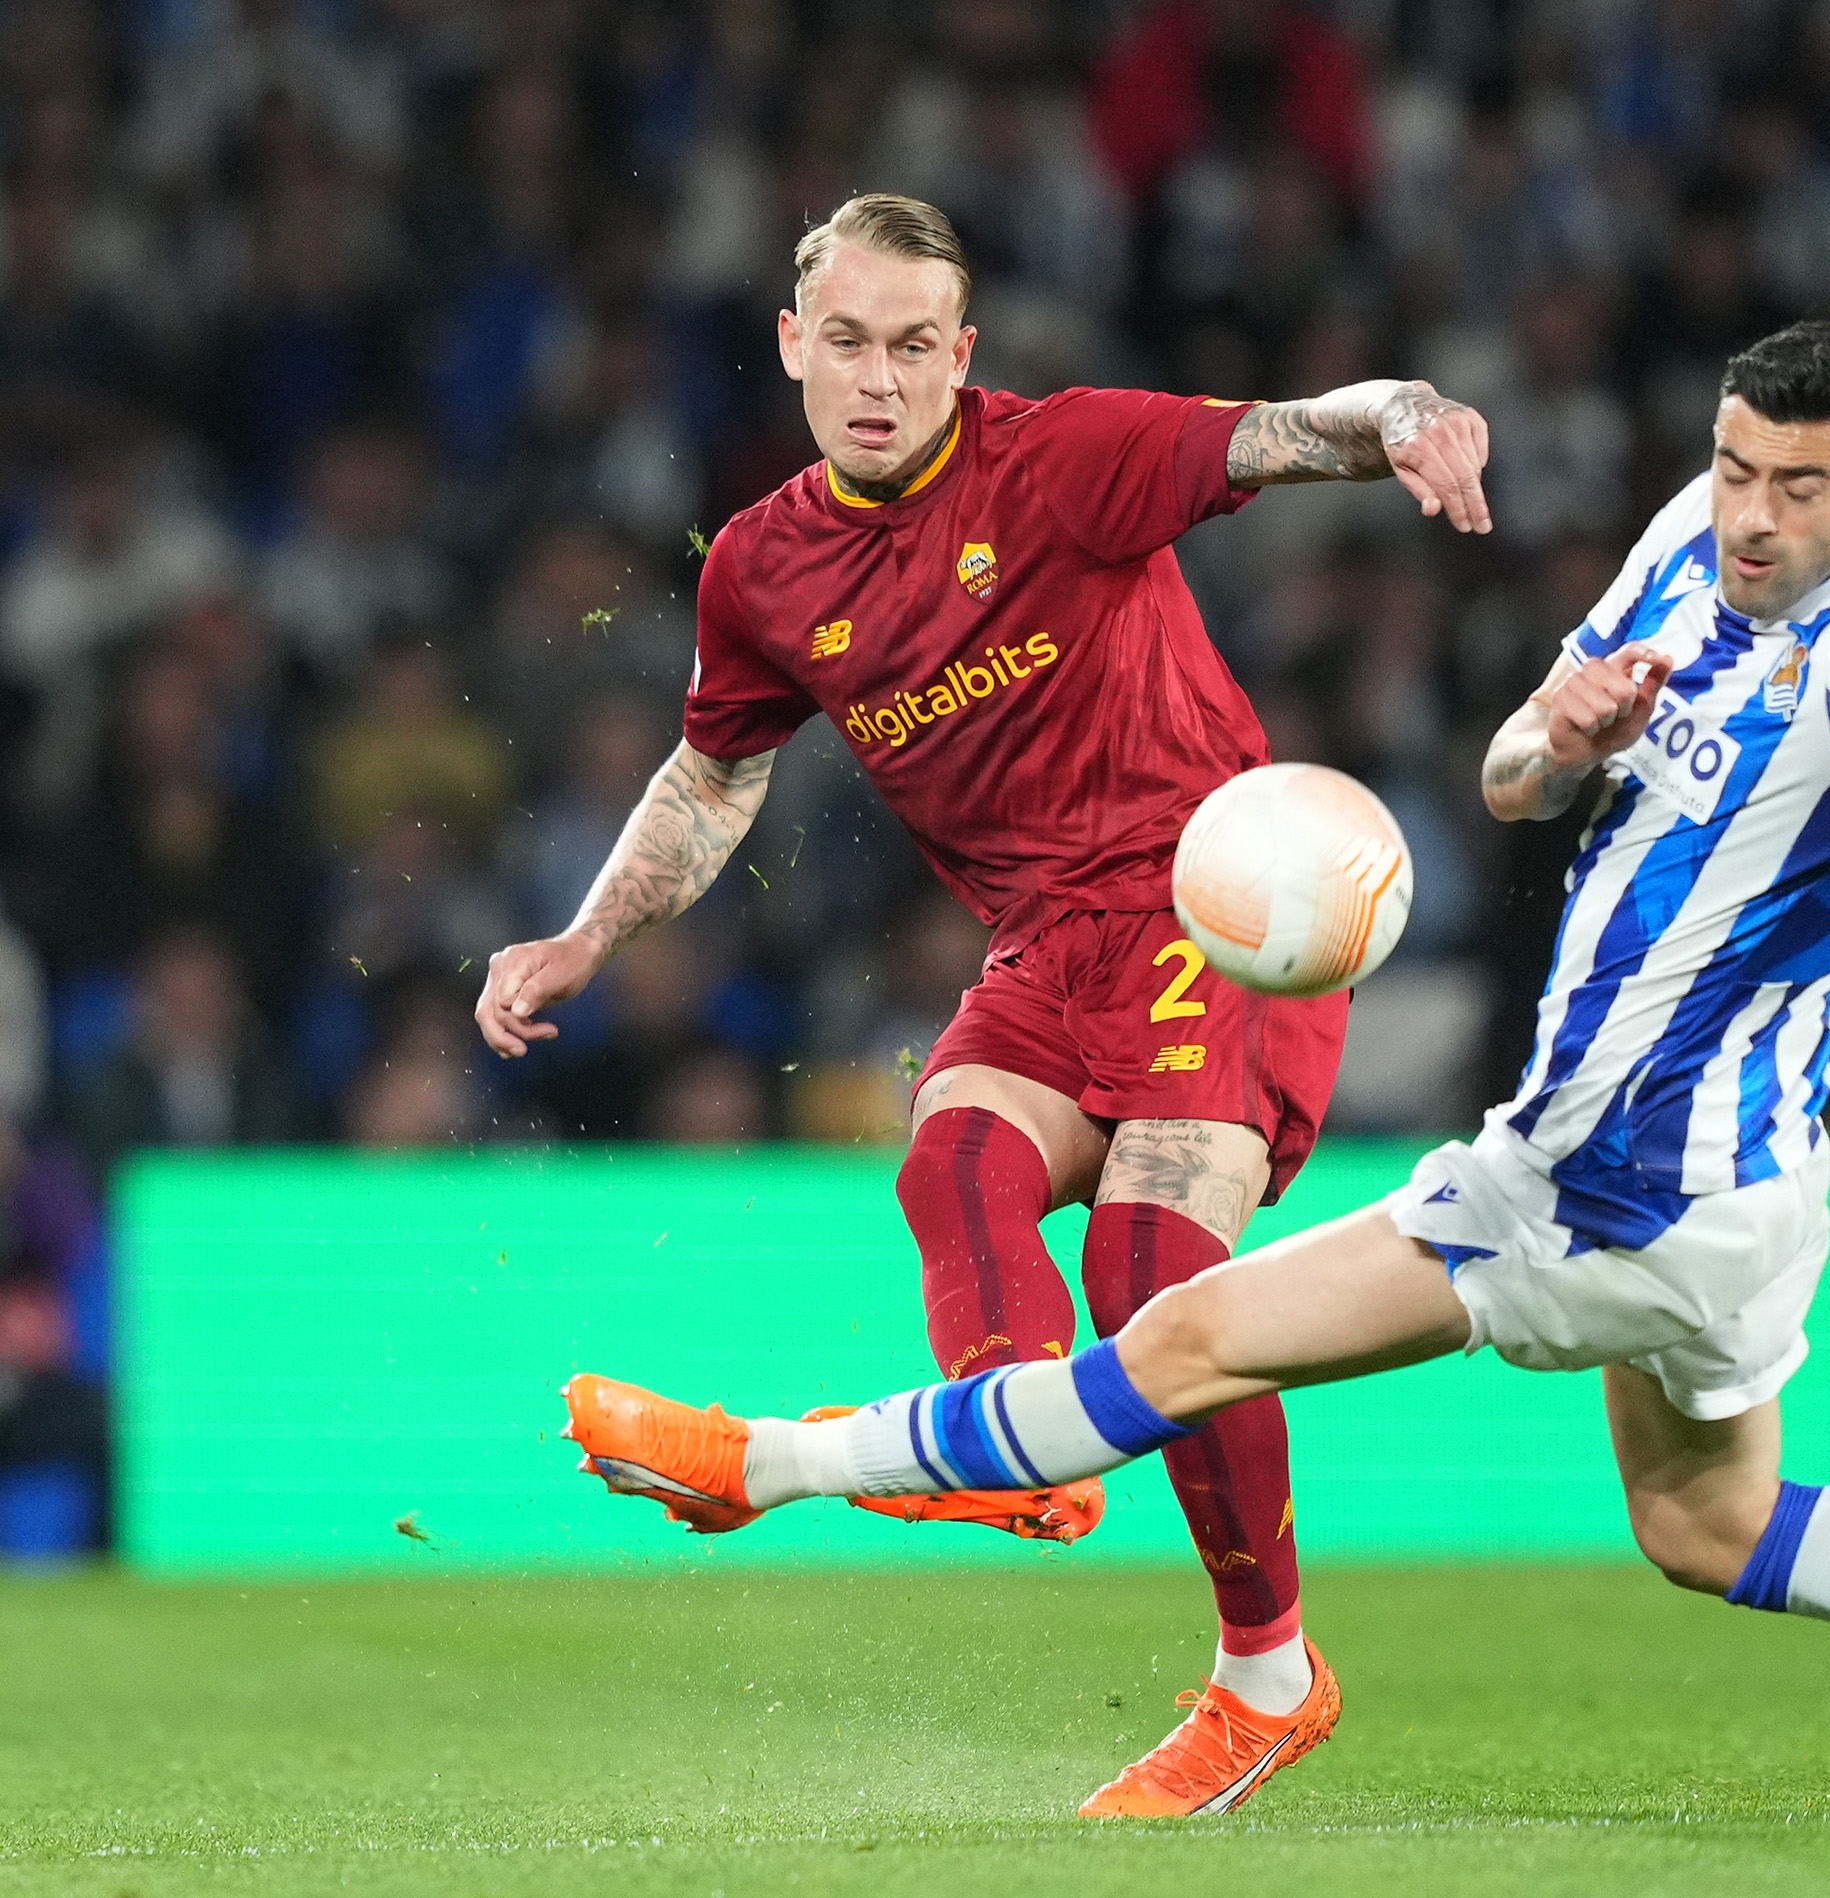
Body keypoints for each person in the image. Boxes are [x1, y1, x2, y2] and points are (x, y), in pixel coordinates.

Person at [561, 317, 1830, 1819]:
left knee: (1170, 1343)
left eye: (1800, 488)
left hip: (1610, 1186)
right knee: (1710, 1525)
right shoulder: (1679, 550)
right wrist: (1559, 734)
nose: (1752, 511)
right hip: (1729, 1190)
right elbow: (1509, 783)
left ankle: (764, 1464)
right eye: (1736, 467)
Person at [476, 193, 1496, 1819]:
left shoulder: (1064, 458)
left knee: (1155, 1263)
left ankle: (1265, 1678)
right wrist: (586, 934)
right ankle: (1018, 1472)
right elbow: (713, 773)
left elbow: (1288, 436)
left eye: (913, 348)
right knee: (952, 1158)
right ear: (794, 346)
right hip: (1043, 944)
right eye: (848, 344)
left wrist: (1412, 416)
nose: (880, 380)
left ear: (961, 354)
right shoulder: (760, 566)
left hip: (1213, 902)